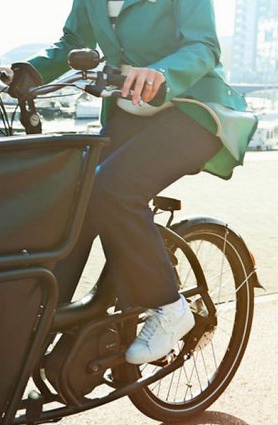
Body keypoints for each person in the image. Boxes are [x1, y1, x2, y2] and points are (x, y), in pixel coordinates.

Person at [14, 0, 257, 364]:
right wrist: (28, 72)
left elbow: (204, 46)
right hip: (131, 111)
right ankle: (45, 315)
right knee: (74, 195)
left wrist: (162, 72)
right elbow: (71, 42)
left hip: (191, 110)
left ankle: (170, 308)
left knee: (114, 190)